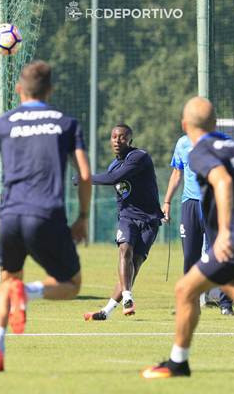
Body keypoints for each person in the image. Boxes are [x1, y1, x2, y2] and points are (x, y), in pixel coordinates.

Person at [142, 97, 234, 379]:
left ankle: (178, 363)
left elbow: (222, 181)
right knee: (223, 279)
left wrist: (223, 231)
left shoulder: (199, 151)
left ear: (185, 125)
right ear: (215, 123)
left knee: (185, 289)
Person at [0, 61, 92, 372]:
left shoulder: (3, 123)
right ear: (49, 90)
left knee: (6, 282)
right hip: (46, 215)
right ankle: (30, 292)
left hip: (10, 216)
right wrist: (83, 216)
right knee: (72, 283)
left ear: (18, 89)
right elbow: (86, 176)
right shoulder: (66, 124)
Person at [80, 124, 163, 320]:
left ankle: (106, 312)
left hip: (150, 220)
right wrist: (122, 218)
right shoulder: (113, 166)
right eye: (114, 137)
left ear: (130, 141)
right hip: (128, 217)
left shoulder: (139, 157)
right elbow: (119, 192)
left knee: (134, 264)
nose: (117, 141)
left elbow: (114, 178)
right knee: (125, 249)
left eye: (122, 137)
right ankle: (127, 298)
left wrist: (85, 178)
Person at [162, 135, 234, 316]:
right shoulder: (182, 142)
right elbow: (177, 173)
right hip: (190, 205)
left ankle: (226, 304)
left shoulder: (221, 141)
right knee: (190, 256)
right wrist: (167, 202)